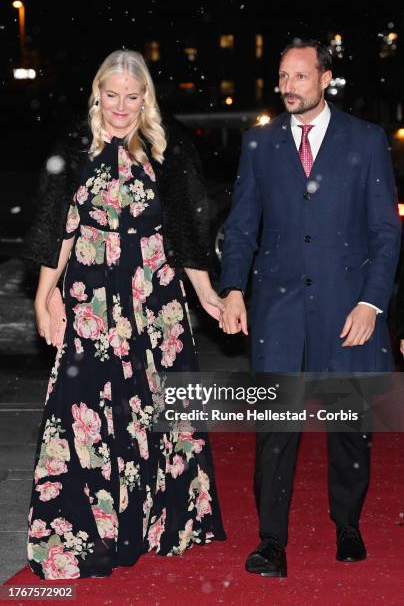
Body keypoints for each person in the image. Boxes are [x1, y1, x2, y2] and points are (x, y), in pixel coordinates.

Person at [22, 49, 226, 580]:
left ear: (145, 100)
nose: (120, 106)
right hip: (92, 302)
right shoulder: (74, 146)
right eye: (111, 95)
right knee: (84, 411)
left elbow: (185, 232)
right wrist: (47, 298)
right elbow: (56, 228)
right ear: (97, 94)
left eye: (131, 97)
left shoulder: (167, 149)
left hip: (155, 302)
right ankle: (91, 532)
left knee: (155, 411)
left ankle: (158, 522)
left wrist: (208, 295)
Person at [218, 38, 401, 577]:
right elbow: (242, 224)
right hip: (278, 308)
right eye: (282, 76)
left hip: (347, 307)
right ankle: (271, 542)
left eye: (300, 76)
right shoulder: (260, 144)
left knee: (348, 425)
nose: (288, 87)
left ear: (325, 79)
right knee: (276, 427)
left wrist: (372, 302)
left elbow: (385, 231)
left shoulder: (365, 141)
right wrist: (233, 289)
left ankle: (347, 523)